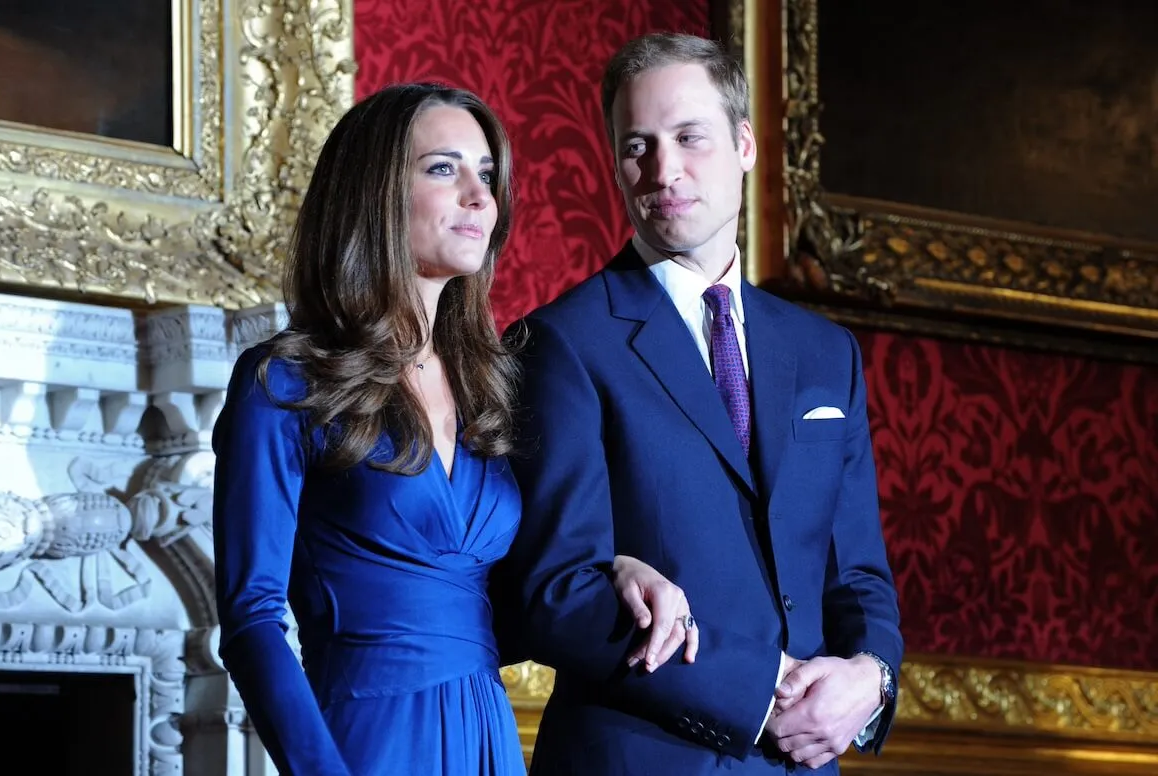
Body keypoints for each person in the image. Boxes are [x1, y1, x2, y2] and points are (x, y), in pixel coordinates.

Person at [211, 82, 695, 776]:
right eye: (444, 168)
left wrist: (616, 567)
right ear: (375, 193)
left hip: (487, 736)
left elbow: (521, 591)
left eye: (487, 174)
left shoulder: (492, 384)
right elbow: (251, 618)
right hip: (363, 741)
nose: (480, 197)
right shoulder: (283, 382)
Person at [500, 33, 904, 775]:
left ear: (744, 143)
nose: (664, 171)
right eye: (637, 146)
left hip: (801, 764)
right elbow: (555, 590)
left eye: (690, 137)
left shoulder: (825, 353)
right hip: (636, 756)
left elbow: (857, 577)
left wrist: (870, 678)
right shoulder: (561, 342)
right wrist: (757, 693)